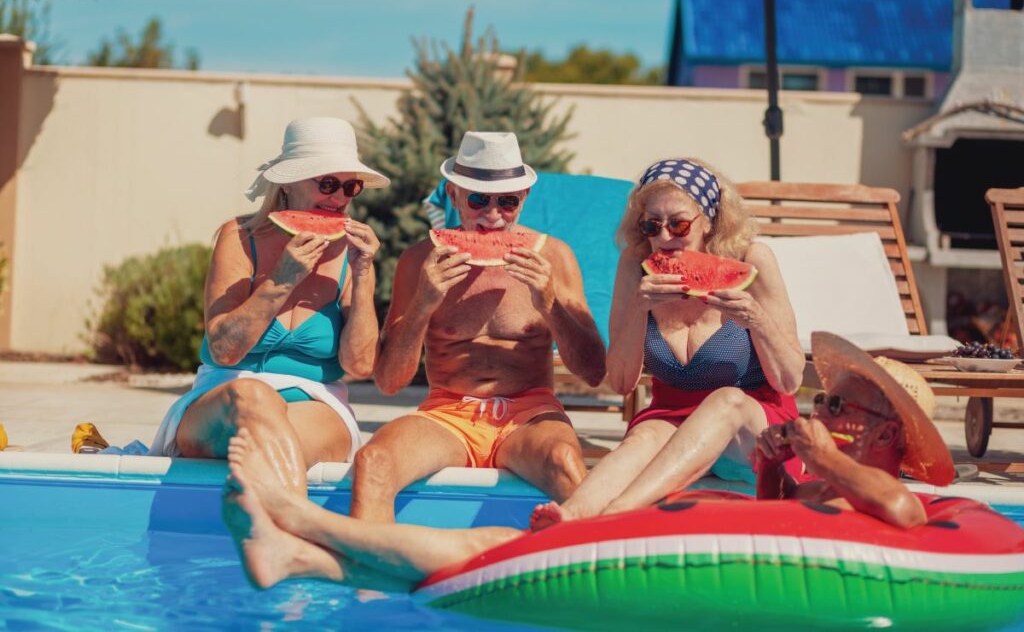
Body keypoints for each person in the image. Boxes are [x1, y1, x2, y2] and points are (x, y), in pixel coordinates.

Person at [219, 332, 954, 590]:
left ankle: (295, 516)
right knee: (485, 551)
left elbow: (901, 510)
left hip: (690, 559)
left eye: (847, 408)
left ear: (891, 432)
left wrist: (823, 458)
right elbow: (773, 518)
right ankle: (302, 558)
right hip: (697, 543)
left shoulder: (886, 492)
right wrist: (776, 463)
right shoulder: (833, 481)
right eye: (828, 405)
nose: (828, 415)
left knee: (488, 549)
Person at [532, 158, 805, 528]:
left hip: (757, 432)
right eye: (652, 225)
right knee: (643, 435)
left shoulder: (753, 261)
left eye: (678, 224)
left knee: (726, 402)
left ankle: (616, 515)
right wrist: (638, 308)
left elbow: (789, 381)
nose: (663, 238)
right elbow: (622, 382)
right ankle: (570, 516)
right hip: (672, 421)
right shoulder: (636, 264)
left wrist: (756, 318)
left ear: (709, 220)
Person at [351, 131, 607, 521]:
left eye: (507, 202)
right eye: (478, 200)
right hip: (447, 413)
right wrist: (424, 304)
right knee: (373, 460)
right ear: (453, 195)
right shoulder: (420, 260)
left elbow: (592, 373)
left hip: (530, 414)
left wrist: (549, 304)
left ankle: (588, 572)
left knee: (566, 462)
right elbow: (388, 382)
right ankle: (368, 578)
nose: (492, 216)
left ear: (524, 198)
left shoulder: (555, 256)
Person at [148, 116, 387, 495]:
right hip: (227, 398)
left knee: (278, 430)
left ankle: (264, 531)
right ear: (287, 183)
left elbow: (359, 365)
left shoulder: (352, 253)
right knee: (254, 397)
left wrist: (363, 278)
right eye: (326, 183)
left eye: (350, 186)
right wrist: (282, 281)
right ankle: (293, 532)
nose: (339, 198)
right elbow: (224, 351)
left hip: (316, 404)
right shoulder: (239, 237)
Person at [756, 331, 955, 527]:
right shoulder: (814, 491)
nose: (817, 414)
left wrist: (824, 456)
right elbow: (773, 513)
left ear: (884, 435)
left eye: (836, 405)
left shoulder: (900, 500)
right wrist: (771, 464)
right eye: (821, 401)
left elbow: (899, 506)